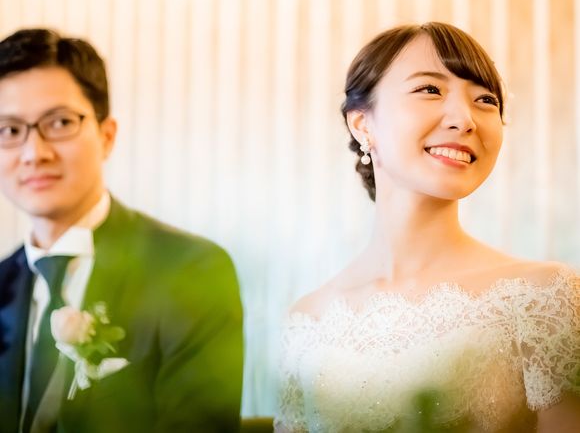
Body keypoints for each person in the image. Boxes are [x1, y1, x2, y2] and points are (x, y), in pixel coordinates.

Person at [275, 22, 580, 432]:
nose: (465, 119)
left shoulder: (544, 297)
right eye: (430, 89)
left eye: (485, 100)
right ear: (362, 124)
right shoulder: (306, 321)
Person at [0, 29, 244, 433]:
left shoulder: (192, 270)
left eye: (59, 122)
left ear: (107, 136)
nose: (34, 153)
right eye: (10, 131)